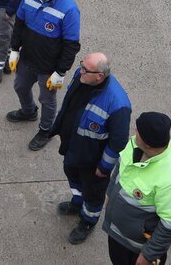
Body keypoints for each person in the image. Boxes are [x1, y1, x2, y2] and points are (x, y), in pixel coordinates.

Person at [52, 52, 131, 245]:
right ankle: (77, 202)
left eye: (86, 70)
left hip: (93, 161)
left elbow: (118, 142)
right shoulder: (83, 76)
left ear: (100, 76)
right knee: (73, 177)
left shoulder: (117, 104)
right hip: (74, 148)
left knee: (93, 194)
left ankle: (88, 221)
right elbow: (69, 105)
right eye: (82, 65)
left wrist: (104, 167)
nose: (80, 71)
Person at [7, 0, 81, 151]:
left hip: (49, 68)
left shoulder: (69, 9)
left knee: (47, 100)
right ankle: (28, 111)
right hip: (27, 59)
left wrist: (60, 72)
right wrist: (14, 50)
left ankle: (46, 129)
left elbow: (71, 45)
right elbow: (19, 25)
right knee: (20, 86)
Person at [103, 112, 171, 265]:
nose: (134, 132)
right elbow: (120, 167)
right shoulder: (135, 143)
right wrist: (110, 195)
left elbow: (169, 226)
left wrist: (148, 256)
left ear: (148, 144)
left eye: (138, 131)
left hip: (138, 249)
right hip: (118, 236)